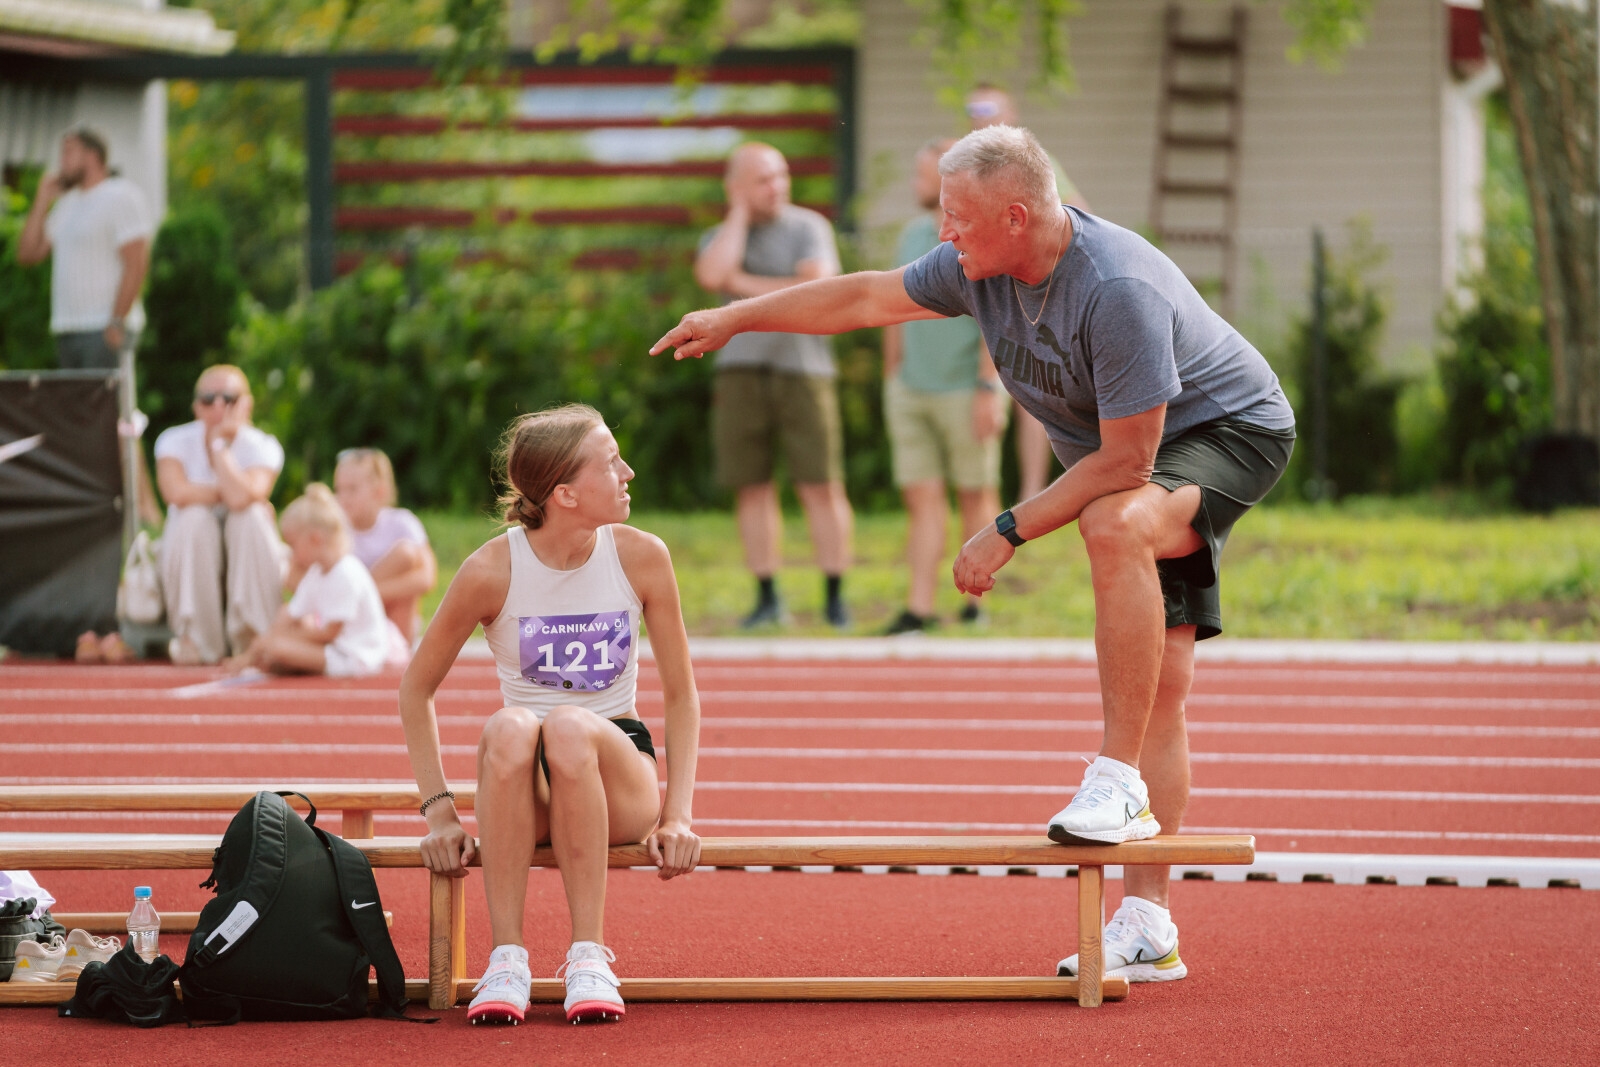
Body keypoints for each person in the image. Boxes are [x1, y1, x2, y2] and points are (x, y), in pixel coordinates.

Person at [652, 124, 1295, 986]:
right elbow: (862, 299)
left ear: (1017, 216)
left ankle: (1115, 780)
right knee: (1164, 681)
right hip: (1142, 458)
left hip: (1226, 431)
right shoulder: (975, 269)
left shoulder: (1116, 288)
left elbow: (1124, 465)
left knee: (1116, 523)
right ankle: (1148, 920)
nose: (944, 234)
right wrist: (737, 316)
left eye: (959, 218)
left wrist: (1006, 528)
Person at [398, 404, 701, 1026]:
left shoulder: (641, 557)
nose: (630, 472)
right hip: (526, 785)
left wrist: (678, 815)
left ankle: (589, 956)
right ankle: (506, 960)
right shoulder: (491, 570)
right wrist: (439, 813)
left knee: (564, 725)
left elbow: (681, 694)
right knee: (511, 725)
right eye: (611, 462)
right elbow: (415, 688)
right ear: (564, 492)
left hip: (617, 770)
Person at [694, 141, 854, 629]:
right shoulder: (720, 235)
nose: (777, 186)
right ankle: (767, 597)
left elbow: (816, 289)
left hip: (805, 370)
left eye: (781, 175)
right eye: (762, 179)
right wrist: (738, 219)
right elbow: (711, 273)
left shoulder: (810, 227)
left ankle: (834, 598)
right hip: (741, 372)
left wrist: (741, 289)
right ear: (736, 187)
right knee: (752, 486)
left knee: (820, 484)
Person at [882, 139, 1008, 634]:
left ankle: (976, 603)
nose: (915, 184)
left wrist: (986, 387)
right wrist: (892, 376)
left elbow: (995, 319)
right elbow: (890, 306)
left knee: (976, 495)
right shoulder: (911, 234)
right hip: (911, 389)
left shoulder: (978, 240)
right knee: (921, 500)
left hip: (964, 388)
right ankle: (920, 607)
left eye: (923, 175)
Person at [966, 85, 1091, 503]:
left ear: (1011, 113)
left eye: (988, 108)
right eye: (973, 109)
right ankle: (987, 494)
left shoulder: (1037, 165)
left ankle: (1033, 491)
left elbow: (1081, 215)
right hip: (985, 299)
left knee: (1032, 396)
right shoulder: (967, 167)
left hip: (1030, 300)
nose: (980, 116)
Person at [153, 364, 286, 665]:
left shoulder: (263, 445)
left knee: (250, 518)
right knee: (193, 519)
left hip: (242, 541)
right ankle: (197, 642)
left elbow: (242, 500)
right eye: (208, 398)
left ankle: (252, 640)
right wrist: (233, 492)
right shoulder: (172, 440)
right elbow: (176, 493)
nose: (218, 406)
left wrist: (219, 448)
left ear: (247, 404)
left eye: (228, 398)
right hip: (191, 540)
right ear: (195, 405)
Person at [233, 484, 407, 677]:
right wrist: (261, 645)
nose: (292, 553)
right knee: (278, 642)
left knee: (278, 648)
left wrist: (279, 640)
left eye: (293, 544)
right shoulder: (317, 573)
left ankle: (284, 660)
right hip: (337, 649)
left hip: (356, 656)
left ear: (314, 539)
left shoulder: (346, 573)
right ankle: (273, 660)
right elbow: (290, 613)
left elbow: (330, 633)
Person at [14, 126, 152, 370]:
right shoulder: (66, 205)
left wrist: (117, 321)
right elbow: (27, 255)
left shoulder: (121, 196)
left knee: (104, 407)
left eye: (68, 152)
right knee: (75, 408)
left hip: (104, 328)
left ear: (92, 155)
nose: (61, 161)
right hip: (67, 328)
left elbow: (136, 263)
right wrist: (42, 200)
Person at [332, 448, 437, 645]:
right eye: (339, 489)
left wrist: (367, 593)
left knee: (405, 553)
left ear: (378, 491)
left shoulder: (402, 522)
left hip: (391, 619)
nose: (343, 498)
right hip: (349, 620)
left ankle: (395, 653)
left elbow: (426, 578)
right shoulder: (334, 530)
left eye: (352, 489)